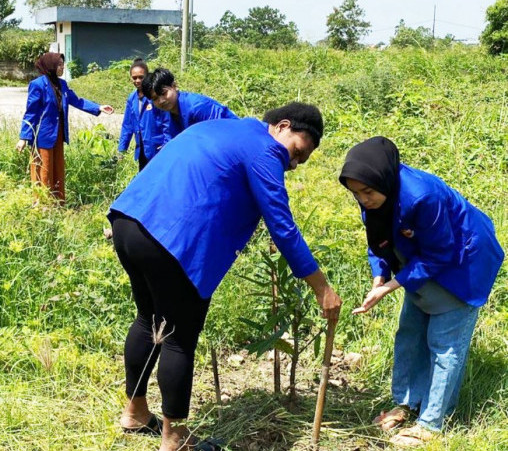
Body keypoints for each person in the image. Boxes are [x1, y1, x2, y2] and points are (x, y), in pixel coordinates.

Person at [109, 103, 342, 451]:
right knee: (177, 337)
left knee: (149, 320)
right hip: (170, 239)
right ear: (282, 126)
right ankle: (174, 440)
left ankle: (136, 413)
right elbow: (283, 227)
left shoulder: (228, 129)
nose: (292, 164)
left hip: (129, 220)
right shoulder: (265, 150)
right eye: (296, 152)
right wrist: (322, 288)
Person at [339, 137, 504, 447]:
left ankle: (431, 423)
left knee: (444, 344)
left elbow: (441, 253)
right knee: (411, 334)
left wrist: (389, 288)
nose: (363, 200)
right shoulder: (374, 193)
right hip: (418, 261)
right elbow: (377, 240)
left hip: (461, 262)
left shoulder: (421, 197)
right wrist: (380, 277)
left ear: (384, 181)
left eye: (367, 193)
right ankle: (406, 403)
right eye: (356, 194)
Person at [16, 53, 114, 205]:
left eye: (63, 64)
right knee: (44, 169)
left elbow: (77, 101)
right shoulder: (38, 85)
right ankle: (42, 204)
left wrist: (98, 107)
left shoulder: (62, 84)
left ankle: (58, 203)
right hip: (42, 136)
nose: (62, 67)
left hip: (59, 134)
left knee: (58, 169)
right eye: (59, 64)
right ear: (50, 66)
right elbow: (31, 112)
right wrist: (24, 137)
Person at [141, 67, 239, 145]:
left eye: (164, 93)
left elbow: (221, 138)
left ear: (174, 86)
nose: (161, 100)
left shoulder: (198, 107)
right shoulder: (167, 111)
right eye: (155, 99)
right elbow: (172, 143)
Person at [118, 59, 170, 171]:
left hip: (158, 149)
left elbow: (167, 122)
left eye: (141, 77)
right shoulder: (132, 99)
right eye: (134, 77)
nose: (137, 80)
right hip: (142, 150)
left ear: (147, 76)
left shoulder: (156, 96)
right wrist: (122, 149)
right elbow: (127, 125)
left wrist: (167, 146)